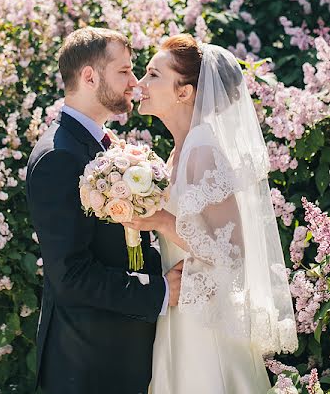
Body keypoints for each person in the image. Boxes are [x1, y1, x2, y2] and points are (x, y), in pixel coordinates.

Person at [126, 34, 298, 394]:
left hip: (208, 327)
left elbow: (232, 251)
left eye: (153, 75)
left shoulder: (203, 149)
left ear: (184, 92)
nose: (140, 84)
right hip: (183, 311)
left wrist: (160, 221)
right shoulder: (179, 151)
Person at [25, 27, 184, 394]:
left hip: (122, 353)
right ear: (90, 76)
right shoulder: (59, 156)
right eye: (124, 71)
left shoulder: (102, 144)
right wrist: (158, 292)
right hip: (89, 364)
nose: (134, 81)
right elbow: (71, 276)